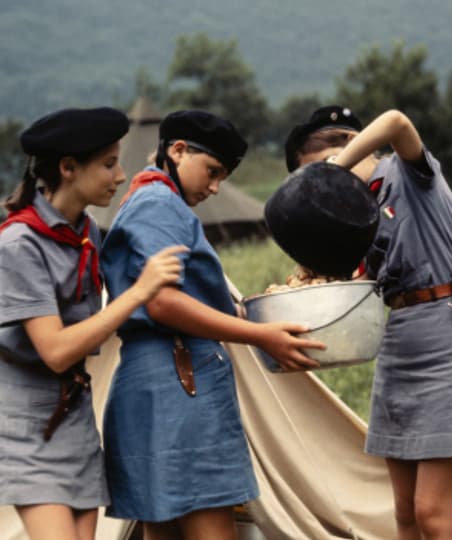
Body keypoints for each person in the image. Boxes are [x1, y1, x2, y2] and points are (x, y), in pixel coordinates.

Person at [99, 110, 325, 540]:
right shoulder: (158, 202)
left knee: (162, 531)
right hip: (180, 381)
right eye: (213, 171)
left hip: (157, 381)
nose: (215, 187)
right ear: (177, 150)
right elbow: (162, 302)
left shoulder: (144, 199)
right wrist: (260, 334)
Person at [0, 106, 188, 540]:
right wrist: (137, 293)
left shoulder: (86, 231)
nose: (121, 175)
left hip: (72, 414)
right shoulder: (21, 243)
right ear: (68, 168)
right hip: (22, 417)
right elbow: (54, 351)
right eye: (108, 164)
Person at [284, 106, 452, 540]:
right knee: (403, 512)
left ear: (342, 148)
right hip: (399, 340)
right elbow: (359, 280)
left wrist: (335, 173)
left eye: (317, 178)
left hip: (444, 332)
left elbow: (397, 121)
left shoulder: (408, 173)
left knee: (432, 512)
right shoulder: (359, 210)